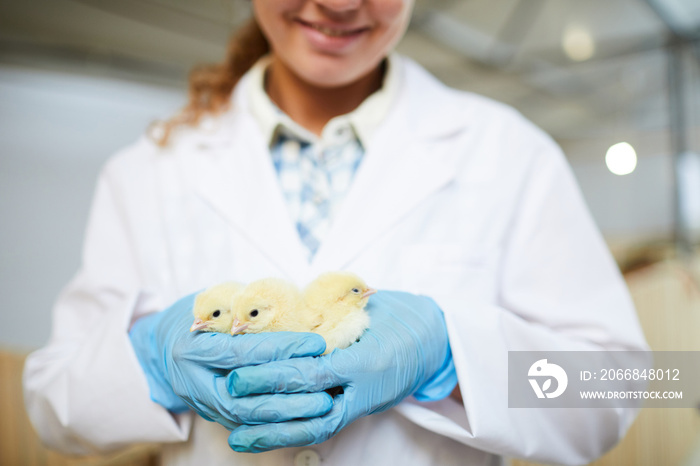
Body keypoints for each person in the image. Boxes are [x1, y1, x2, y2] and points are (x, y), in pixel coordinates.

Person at [23, 1, 649, 465]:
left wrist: (457, 358)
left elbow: (622, 384)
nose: (342, 3)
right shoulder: (148, 172)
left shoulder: (512, 154)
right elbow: (51, 404)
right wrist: (148, 363)